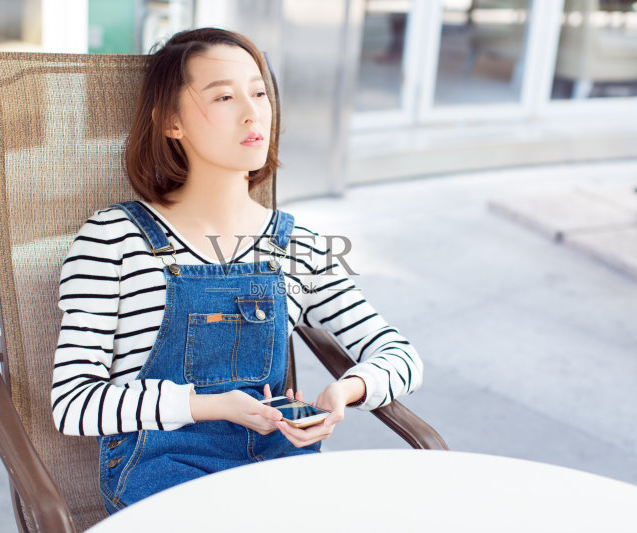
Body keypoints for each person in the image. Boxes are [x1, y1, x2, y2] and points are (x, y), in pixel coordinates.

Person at [51, 27, 423, 514]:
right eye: (224, 96)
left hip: (279, 471)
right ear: (171, 123)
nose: (253, 113)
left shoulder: (301, 248)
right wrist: (208, 405)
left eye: (260, 92)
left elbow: (400, 355)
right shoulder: (113, 239)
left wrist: (344, 392)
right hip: (166, 476)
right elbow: (73, 403)